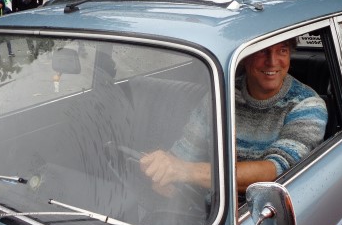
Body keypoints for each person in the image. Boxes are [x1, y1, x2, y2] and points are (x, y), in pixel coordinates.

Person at [140, 40, 328, 195]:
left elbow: (277, 171)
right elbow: (186, 149)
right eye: (262, 51)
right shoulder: (221, 94)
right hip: (210, 210)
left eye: (282, 50)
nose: (272, 61)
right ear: (245, 58)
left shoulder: (307, 105)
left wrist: (186, 171)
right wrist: (162, 172)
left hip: (266, 214)